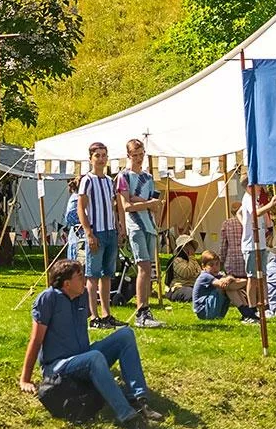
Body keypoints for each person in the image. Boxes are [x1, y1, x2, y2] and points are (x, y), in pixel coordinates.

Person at [18, 259, 161, 429]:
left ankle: (138, 400)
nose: (84, 280)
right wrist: (25, 379)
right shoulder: (48, 299)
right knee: (94, 357)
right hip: (57, 367)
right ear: (66, 283)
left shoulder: (82, 295)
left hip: (82, 357)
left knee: (126, 335)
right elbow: (36, 340)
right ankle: (128, 417)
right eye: (80, 277)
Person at [76, 143, 125, 328]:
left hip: (110, 231)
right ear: (91, 158)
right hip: (96, 231)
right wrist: (88, 232)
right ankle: (93, 317)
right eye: (98, 155)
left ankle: (106, 314)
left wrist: (119, 227)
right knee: (92, 275)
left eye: (104, 155)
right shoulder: (87, 180)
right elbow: (81, 207)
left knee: (107, 274)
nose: (102, 159)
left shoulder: (108, 181)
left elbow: (113, 206)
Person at [116, 139, 163, 330]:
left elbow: (154, 201)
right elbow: (126, 206)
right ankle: (141, 310)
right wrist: (146, 203)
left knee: (148, 267)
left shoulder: (148, 177)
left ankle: (146, 309)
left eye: (141, 154)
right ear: (128, 156)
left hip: (150, 224)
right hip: (135, 225)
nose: (138, 158)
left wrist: (144, 202)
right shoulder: (123, 177)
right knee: (143, 266)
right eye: (134, 155)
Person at [239, 182, 276, 317]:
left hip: (260, 244)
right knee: (252, 278)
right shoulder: (247, 199)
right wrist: (270, 205)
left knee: (263, 276)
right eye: (258, 185)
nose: (261, 188)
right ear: (250, 187)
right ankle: (252, 308)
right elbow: (256, 213)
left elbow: (240, 213)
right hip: (250, 245)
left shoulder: (255, 199)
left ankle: (266, 306)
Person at [190, 250, 255, 321]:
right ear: (203, 267)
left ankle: (248, 313)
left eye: (217, 264)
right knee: (227, 287)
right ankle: (247, 314)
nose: (215, 267)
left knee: (231, 286)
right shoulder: (205, 276)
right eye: (211, 265)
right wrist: (231, 279)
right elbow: (222, 285)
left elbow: (242, 282)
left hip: (215, 312)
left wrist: (231, 278)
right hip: (204, 312)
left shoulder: (218, 276)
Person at [166, 234, 202, 303]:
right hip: (179, 288)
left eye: (190, 245)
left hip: (193, 286)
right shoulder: (177, 260)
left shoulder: (194, 261)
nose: (190, 248)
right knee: (192, 293)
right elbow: (186, 273)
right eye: (186, 246)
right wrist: (191, 257)